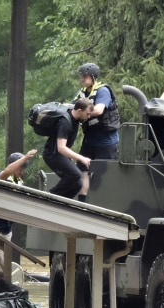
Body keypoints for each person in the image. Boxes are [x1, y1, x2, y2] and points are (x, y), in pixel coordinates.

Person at [0, 149, 37, 276]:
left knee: (2, 268)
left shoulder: (20, 184)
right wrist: (25, 158)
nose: (22, 171)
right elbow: (6, 172)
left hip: (6, 230)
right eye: (20, 167)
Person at [72, 63, 120, 203]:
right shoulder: (82, 93)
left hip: (106, 140)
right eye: (81, 76)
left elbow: (99, 110)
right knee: (82, 169)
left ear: (93, 76)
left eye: (85, 76)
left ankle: (109, 203)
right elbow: (72, 108)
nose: (82, 79)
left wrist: (83, 112)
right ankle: (82, 201)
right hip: (90, 139)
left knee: (107, 173)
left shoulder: (102, 91)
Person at [42, 97, 94, 199]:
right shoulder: (65, 123)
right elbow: (61, 148)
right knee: (75, 175)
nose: (88, 117)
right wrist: (81, 158)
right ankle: (50, 197)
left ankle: (64, 203)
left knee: (78, 183)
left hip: (60, 155)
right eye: (87, 114)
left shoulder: (75, 118)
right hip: (52, 155)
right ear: (79, 111)